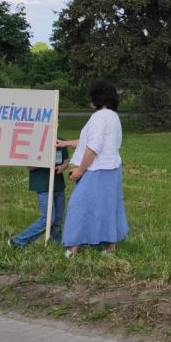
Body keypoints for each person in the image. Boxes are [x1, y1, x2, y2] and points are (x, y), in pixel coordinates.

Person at [59, 80, 128, 257]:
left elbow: (93, 147)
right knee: (108, 207)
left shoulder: (99, 117)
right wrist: (65, 143)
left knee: (78, 206)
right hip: (112, 169)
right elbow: (90, 142)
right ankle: (109, 248)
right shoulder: (113, 116)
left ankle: (73, 249)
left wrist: (80, 171)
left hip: (96, 170)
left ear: (97, 96)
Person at [8, 140, 70, 247]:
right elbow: (29, 166)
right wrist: (46, 161)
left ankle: (55, 244)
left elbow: (66, 161)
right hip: (43, 185)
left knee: (58, 220)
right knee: (47, 220)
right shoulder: (35, 140)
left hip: (58, 185)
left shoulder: (60, 141)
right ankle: (17, 242)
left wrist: (62, 167)